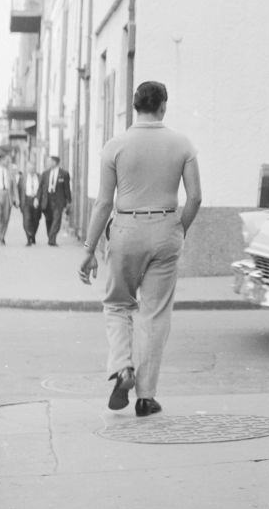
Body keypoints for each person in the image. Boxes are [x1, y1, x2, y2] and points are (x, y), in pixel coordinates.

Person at [78, 81, 201, 418]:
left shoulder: (115, 146)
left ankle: (122, 368)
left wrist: (89, 250)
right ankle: (146, 397)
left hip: (126, 228)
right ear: (163, 105)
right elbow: (195, 197)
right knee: (155, 314)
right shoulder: (182, 144)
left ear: (135, 107)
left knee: (117, 304)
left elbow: (103, 204)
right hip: (165, 229)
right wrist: (179, 229)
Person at [40, 155, 72, 246]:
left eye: (49, 161)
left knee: (57, 220)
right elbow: (41, 188)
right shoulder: (45, 173)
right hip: (47, 200)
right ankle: (51, 237)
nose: (48, 163)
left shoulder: (64, 174)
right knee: (49, 219)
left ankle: (51, 237)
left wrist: (69, 201)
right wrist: (38, 199)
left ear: (54, 162)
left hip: (59, 200)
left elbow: (67, 188)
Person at [18, 163, 43, 245]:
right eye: (29, 168)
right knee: (26, 220)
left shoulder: (40, 177)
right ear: (27, 169)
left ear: (35, 169)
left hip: (37, 200)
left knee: (36, 220)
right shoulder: (23, 178)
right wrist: (18, 201)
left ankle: (33, 235)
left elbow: (42, 190)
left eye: (33, 168)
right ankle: (29, 238)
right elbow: (19, 190)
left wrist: (38, 199)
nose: (31, 170)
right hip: (26, 201)